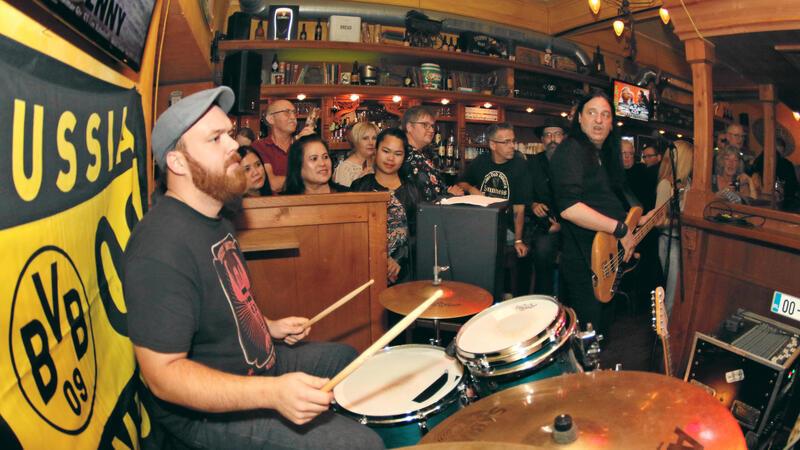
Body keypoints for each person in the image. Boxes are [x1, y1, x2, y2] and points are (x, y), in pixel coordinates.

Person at [123, 86, 383, 449]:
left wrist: (270, 327)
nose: (232, 145)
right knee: (362, 446)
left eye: (228, 133)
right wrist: (272, 393)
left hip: (258, 364)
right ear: (178, 163)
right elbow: (162, 377)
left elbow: (227, 303)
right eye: (215, 139)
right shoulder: (160, 247)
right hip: (207, 416)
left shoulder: (217, 213)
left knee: (348, 359)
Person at [549, 91, 652, 337]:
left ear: (611, 124)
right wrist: (621, 229)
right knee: (587, 336)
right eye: (592, 113)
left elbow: (601, 203)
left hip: (604, 257)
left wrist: (634, 220)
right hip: (584, 260)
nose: (598, 120)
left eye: (605, 115)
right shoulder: (571, 150)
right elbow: (570, 208)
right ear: (580, 119)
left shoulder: (603, 156)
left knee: (601, 333)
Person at [351, 128, 420, 284]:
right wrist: (381, 258)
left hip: (404, 273)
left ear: (404, 157)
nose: (391, 158)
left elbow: (419, 233)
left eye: (398, 154)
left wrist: (398, 259)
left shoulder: (412, 190)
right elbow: (353, 231)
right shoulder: (360, 186)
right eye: (386, 151)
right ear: (375, 151)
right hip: (365, 270)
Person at [457, 123, 533, 263]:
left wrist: (518, 240)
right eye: (506, 142)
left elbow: (519, 209)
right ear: (492, 145)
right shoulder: (481, 161)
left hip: (506, 226)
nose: (512, 146)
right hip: (480, 221)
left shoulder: (521, 166)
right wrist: (472, 189)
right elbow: (461, 182)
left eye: (513, 141)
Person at [526, 117, 566, 295]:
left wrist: (562, 225)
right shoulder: (532, 163)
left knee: (577, 258)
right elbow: (523, 192)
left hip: (572, 224)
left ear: (564, 137)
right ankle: (545, 304)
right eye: (548, 135)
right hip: (544, 225)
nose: (553, 139)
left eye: (557, 134)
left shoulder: (574, 162)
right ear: (542, 140)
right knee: (542, 253)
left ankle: (570, 307)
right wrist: (532, 203)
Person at [655, 140, 693, 316]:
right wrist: (681, 220)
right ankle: (666, 336)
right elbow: (658, 221)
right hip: (670, 243)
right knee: (671, 295)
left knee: (681, 294)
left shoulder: (690, 184)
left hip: (685, 243)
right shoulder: (666, 185)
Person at [401, 105, 463, 201]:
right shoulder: (402, 155)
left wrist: (448, 192)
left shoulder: (428, 153)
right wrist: (450, 194)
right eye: (425, 125)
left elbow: (438, 186)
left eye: (432, 126)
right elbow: (421, 197)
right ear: (409, 127)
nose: (431, 130)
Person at [253, 99, 316, 193]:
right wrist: (306, 181)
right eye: (286, 112)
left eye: (294, 113)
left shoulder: (303, 146)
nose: (293, 117)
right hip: (273, 206)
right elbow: (272, 184)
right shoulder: (260, 146)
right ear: (271, 119)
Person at [747, 137, 799, 209]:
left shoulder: (787, 166)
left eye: (779, 154)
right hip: (760, 202)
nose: (776, 157)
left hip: (783, 205)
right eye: (775, 153)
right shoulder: (760, 161)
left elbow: (792, 187)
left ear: (783, 154)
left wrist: (783, 192)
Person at [333, 121, 377, 187]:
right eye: (365, 138)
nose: (371, 142)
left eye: (374, 138)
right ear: (356, 141)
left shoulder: (379, 164)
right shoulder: (345, 169)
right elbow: (342, 196)